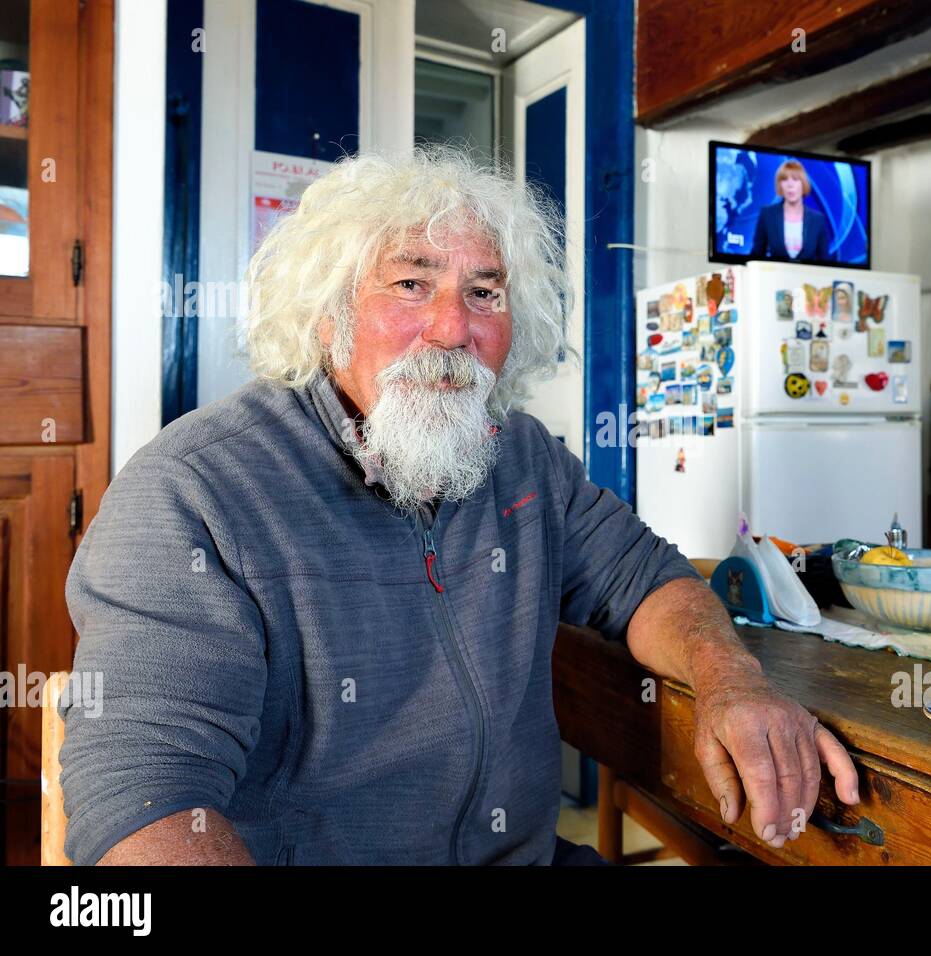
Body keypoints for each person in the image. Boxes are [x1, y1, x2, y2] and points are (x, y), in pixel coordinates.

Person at [59, 146, 860, 865]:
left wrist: (732, 679)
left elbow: (642, 574)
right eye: (412, 283)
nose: (453, 327)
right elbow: (145, 801)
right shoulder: (194, 490)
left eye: (485, 292)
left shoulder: (524, 456)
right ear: (327, 313)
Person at [748, 159, 832, 262]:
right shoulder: (767, 215)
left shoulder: (817, 220)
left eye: (795, 179)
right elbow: (756, 255)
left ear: (803, 184)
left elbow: (824, 261)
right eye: (785, 180)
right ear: (780, 185)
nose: (790, 185)